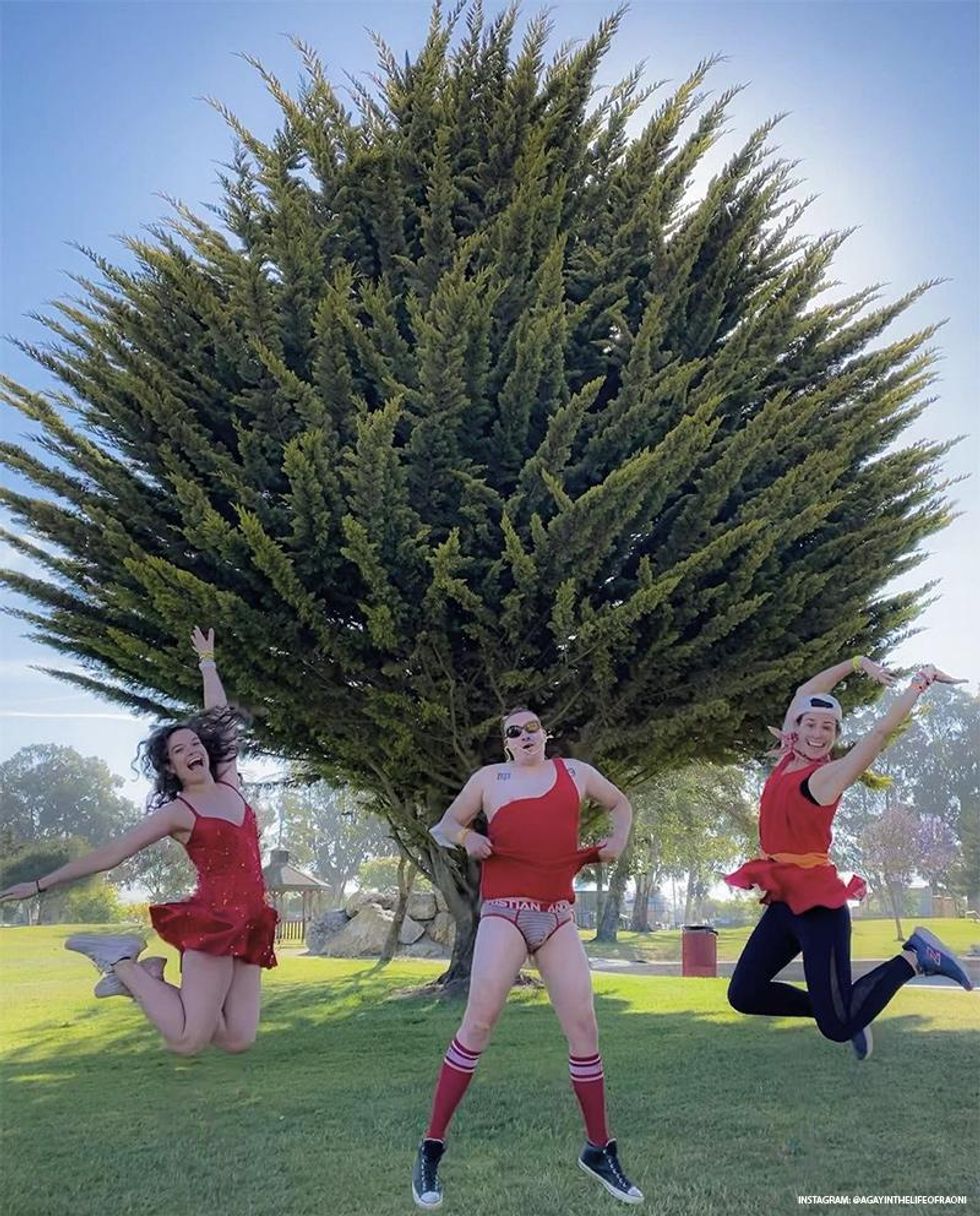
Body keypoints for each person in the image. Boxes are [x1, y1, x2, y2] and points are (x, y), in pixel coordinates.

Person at [0, 627, 277, 1055]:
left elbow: (220, 719)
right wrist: (40, 885)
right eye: (179, 750)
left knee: (238, 1038)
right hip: (215, 923)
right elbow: (111, 855)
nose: (191, 750)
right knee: (187, 1041)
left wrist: (208, 662)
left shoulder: (230, 783)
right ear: (171, 768)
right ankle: (122, 963)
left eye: (194, 743)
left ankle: (148, 977)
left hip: (253, 919)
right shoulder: (179, 812)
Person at [411, 707, 644, 1209]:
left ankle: (599, 1150)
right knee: (477, 1024)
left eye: (531, 727)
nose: (524, 736)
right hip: (505, 914)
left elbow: (620, 804)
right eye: (513, 732)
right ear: (507, 744)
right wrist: (468, 835)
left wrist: (618, 842)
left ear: (545, 733)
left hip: (558, 916)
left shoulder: (575, 773)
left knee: (584, 1028)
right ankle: (431, 1148)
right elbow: (446, 824)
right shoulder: (489, 779)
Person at [726, 656, 973, 1061]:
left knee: (837, 1027)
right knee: (745, 993)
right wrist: (856, 663)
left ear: (836, 735)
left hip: (818, 906)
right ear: (797, 727)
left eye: (828, 728)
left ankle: (916, 957)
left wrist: (919, 681)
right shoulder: (789, 755)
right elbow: (806, 692)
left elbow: (878, 732)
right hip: (785, 899)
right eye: (810, 724)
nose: (817, 733)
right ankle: (853, 1007)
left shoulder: (826, 777)